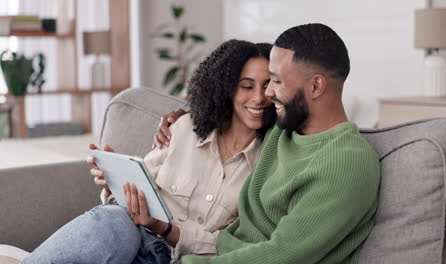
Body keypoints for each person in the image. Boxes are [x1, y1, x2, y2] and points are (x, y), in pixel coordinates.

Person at [22, 40, 276, 264]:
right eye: (247, 86)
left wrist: (163, 228)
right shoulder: (183, 129)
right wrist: (114, 184)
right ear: (227, 88)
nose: (259, 98)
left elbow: (231, 247)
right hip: (130, 235)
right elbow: (125, 203)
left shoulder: (269, 164)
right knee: (114, 223)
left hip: (171, 256)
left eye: (267, 86)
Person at [155, 23, 381, 264]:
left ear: (315, 86)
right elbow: (229, 110)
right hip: (204, 251)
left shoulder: (346, 163)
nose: (267, 94)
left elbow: (280, 255)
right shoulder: (284, 132)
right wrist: (184, 118)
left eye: (276, 81)